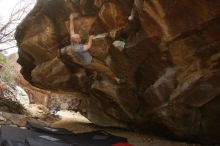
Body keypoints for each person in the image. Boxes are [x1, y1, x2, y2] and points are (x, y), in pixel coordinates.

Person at [60, 13, 125, 84]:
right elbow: (88, 46)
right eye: (78, 38)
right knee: (106, 69)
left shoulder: (72, 42)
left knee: (103, 64)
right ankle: (117, 80)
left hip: (89, 58)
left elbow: (71, 30)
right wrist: (90, 38)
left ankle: (96, 74)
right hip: (89, 63)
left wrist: (71, 19)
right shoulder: (78, 48)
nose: (80, 38)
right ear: (75, 40)